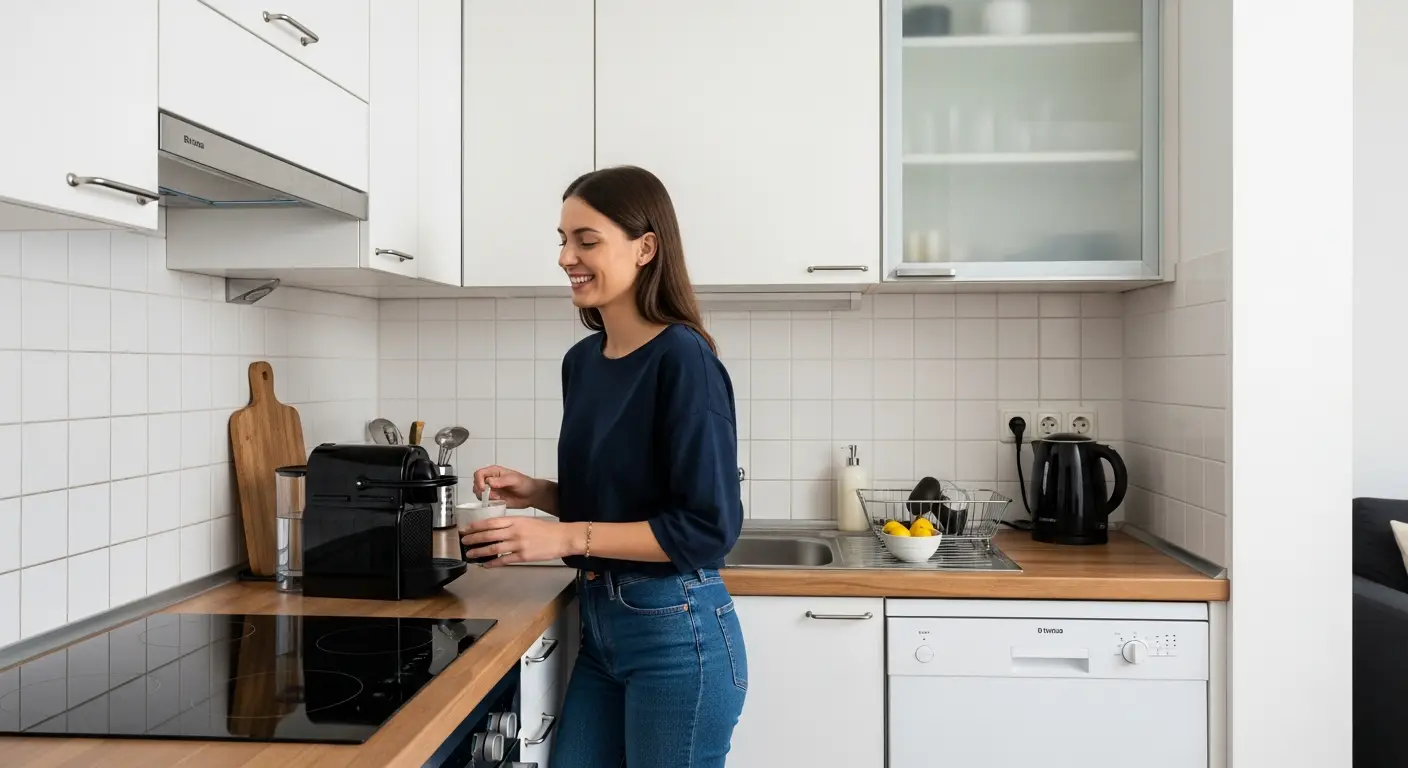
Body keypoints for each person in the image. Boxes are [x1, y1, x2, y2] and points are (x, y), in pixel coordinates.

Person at [461, 165, 747, 767]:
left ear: (646, 248)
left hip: (678, 636)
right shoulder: (582, 362)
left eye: (586, 240)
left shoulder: (684, 359)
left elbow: (706, 527)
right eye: (562, 240)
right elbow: (625, 503)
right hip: (601, 629)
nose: (567, 257)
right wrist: (538, 493)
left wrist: (560, 535)